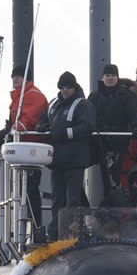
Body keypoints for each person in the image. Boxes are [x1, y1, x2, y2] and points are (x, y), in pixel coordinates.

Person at [0, 62, 49, 235]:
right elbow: (15, 121)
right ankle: (25, 227)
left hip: (30, 149)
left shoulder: (33, 96)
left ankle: (36, 227)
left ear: (26, 78)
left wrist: (9, 132)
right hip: (21, 150)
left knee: (30, 189)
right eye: (13, 77)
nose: (14, 79)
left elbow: (27, 121)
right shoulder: (19, 97)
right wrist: (6, 131)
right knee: (21, 191)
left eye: (17, 76)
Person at [36, 71, 97, 219]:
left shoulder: (83, 104)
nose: (65, 90)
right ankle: (56, 232)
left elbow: (87, 127)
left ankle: (71, 231)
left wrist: (63, 133)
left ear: (74, 87)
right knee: (57, 199)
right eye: (62, 87)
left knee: (73, 199)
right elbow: (43, 119)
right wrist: (42, 126)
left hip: (74, 160)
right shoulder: (53, 105)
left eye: (68, 87)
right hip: (57, 161)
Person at [91, 62, 137, 194]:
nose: (110, 78)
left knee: (113, 178)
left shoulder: (127, 96)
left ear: (117, 77)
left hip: (118, 142)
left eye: (113, 75)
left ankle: (115, 205)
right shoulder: (95, 97)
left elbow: (135, 113)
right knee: (75, 167)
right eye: (107, 75)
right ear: (103, 77)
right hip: (98, 142)